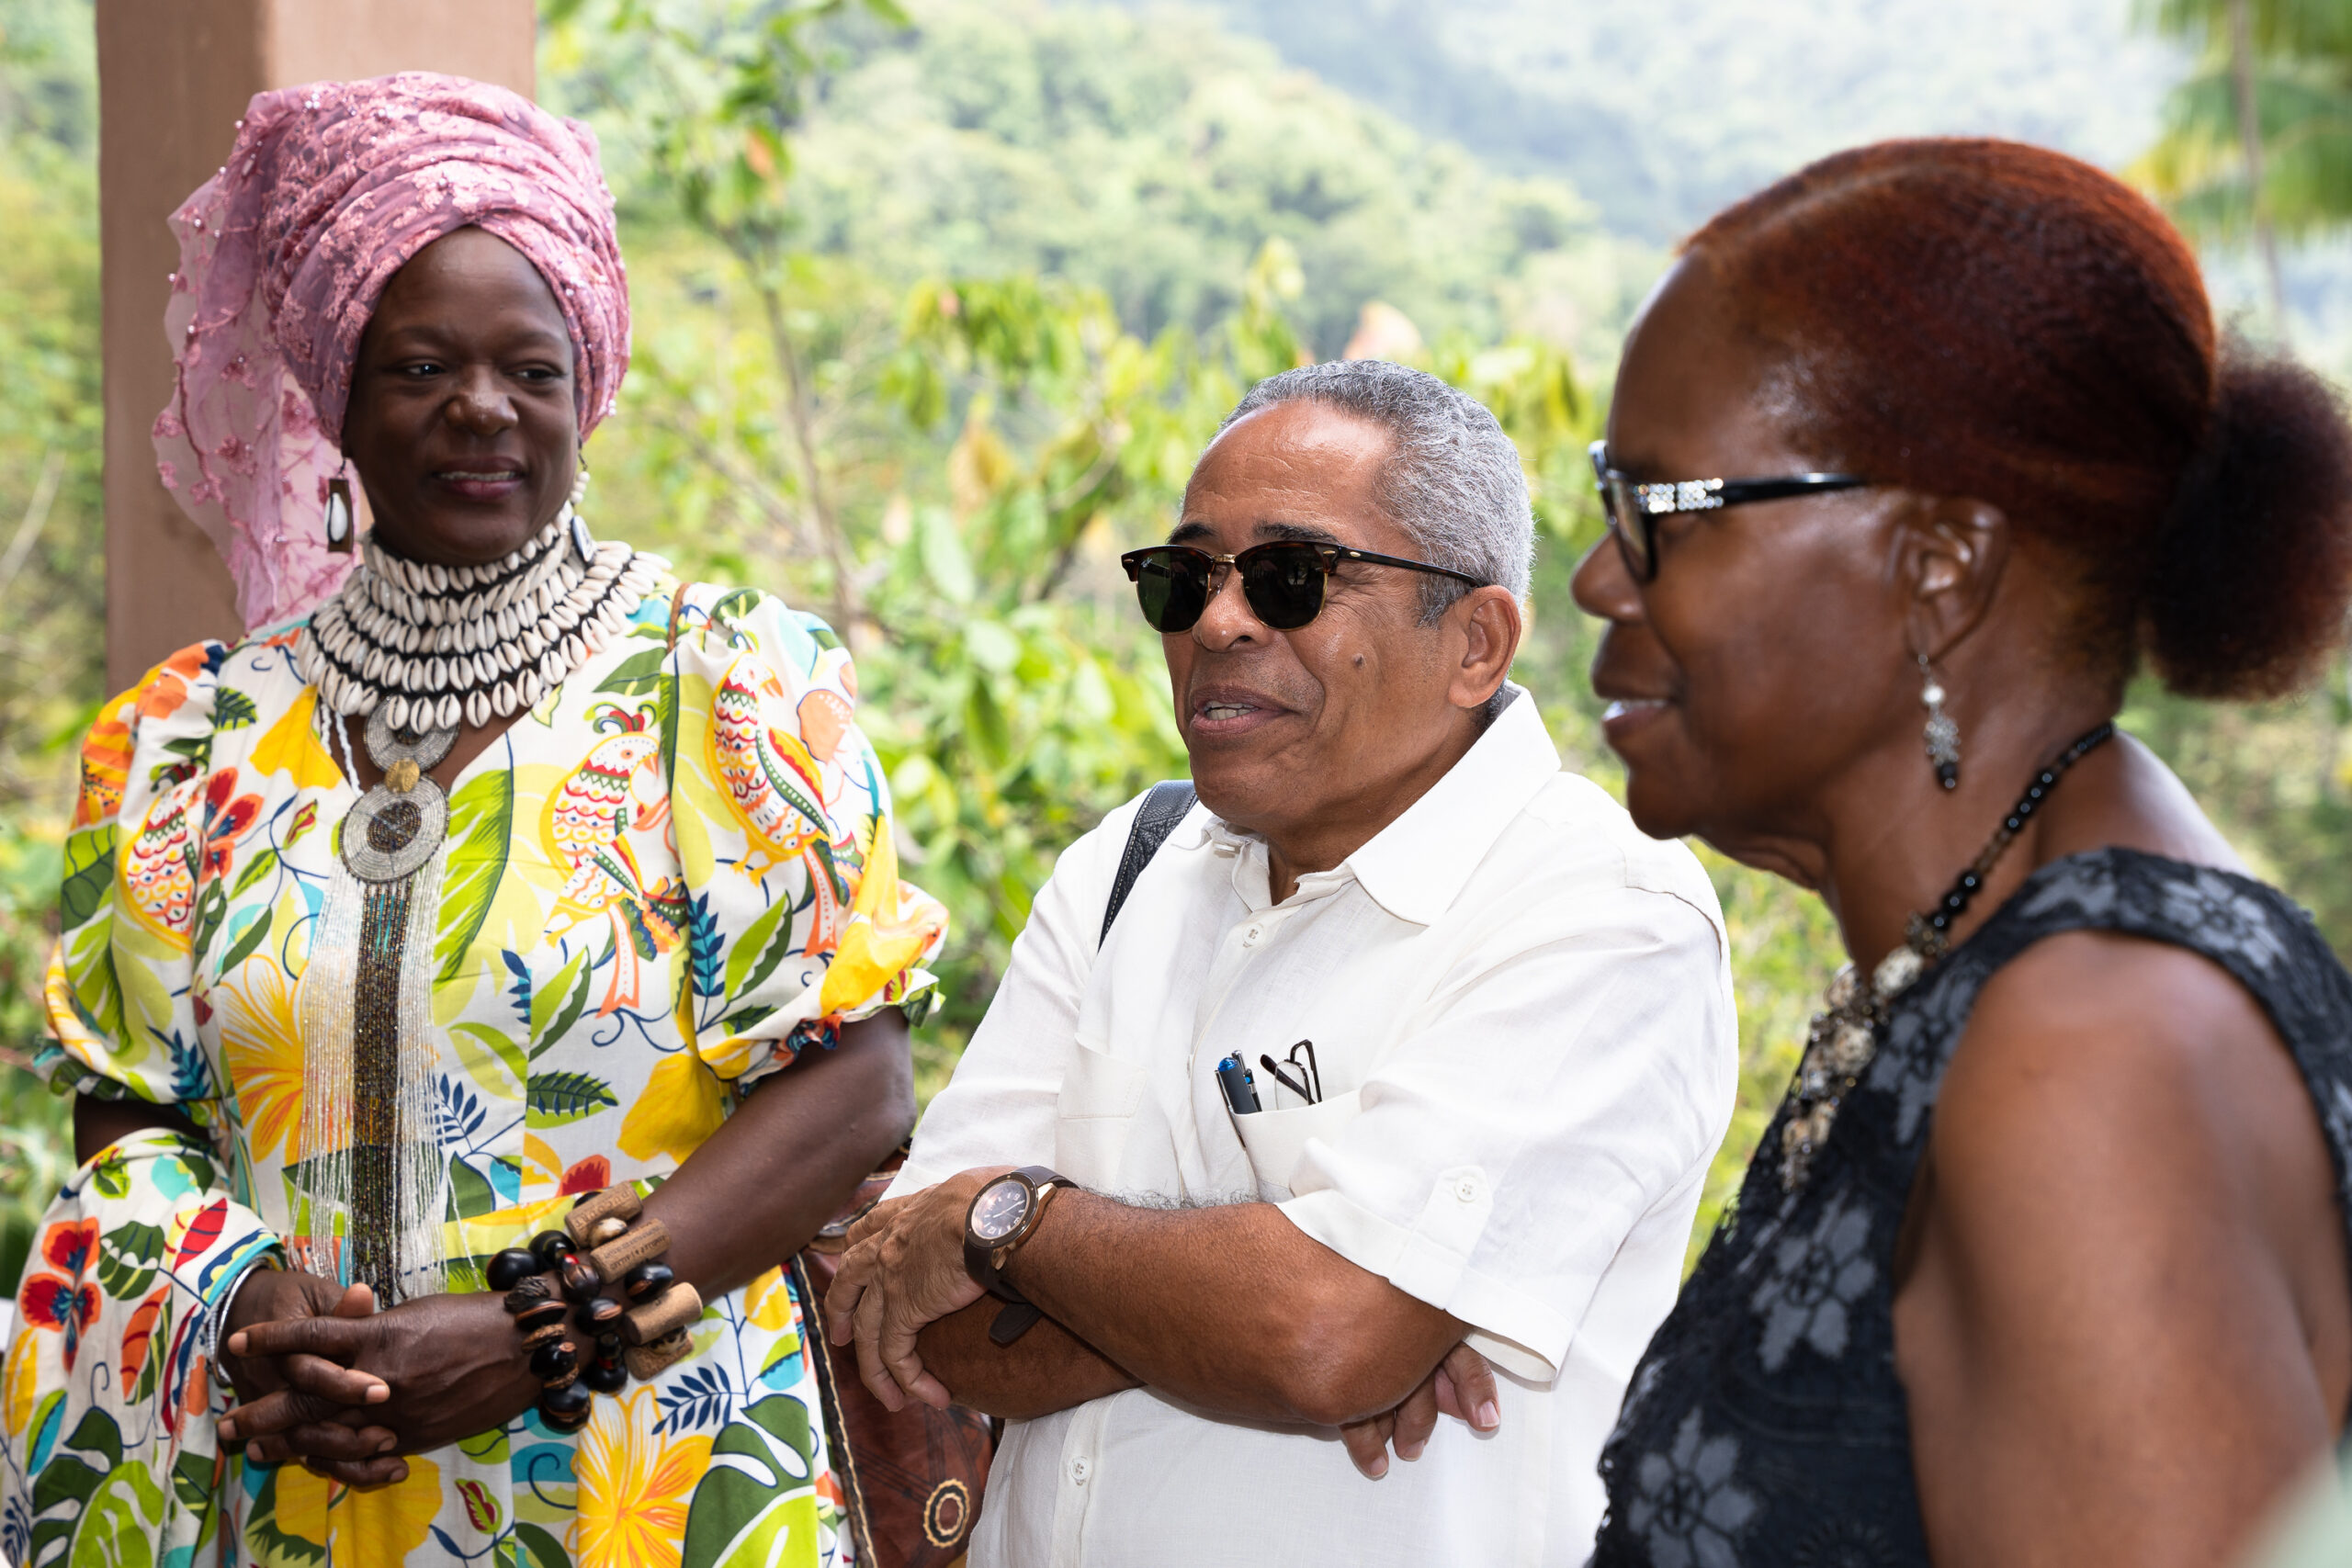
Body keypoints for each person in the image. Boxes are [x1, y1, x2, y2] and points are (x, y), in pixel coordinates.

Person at [0, 73, 945, 1568]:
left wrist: (540, 1333)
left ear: (589, 387)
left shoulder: (722, 681)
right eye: (421, 365)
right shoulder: (188, 739)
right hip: (296, 1467)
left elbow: (855, 1084)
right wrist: (243, 1306)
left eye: (530, 368)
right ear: (334, 394)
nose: (481, 409)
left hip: (651, 1464)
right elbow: (132, 1100)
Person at [1574, 139, 2352, 1567]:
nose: (1597, 577)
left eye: (1659, 512)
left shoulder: (2090, 1056)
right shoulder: (2007, 941)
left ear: (1940, 569)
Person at [823, 359, 1739, 1566]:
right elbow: (912, 1325)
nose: (1218, 623)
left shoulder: (1600, 910)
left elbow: (1318, 1337)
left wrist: (1010, 1223)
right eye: (1185, 578)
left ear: (1476, 642)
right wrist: (1292, 1300)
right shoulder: (1127, 866)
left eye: (1290, 578)